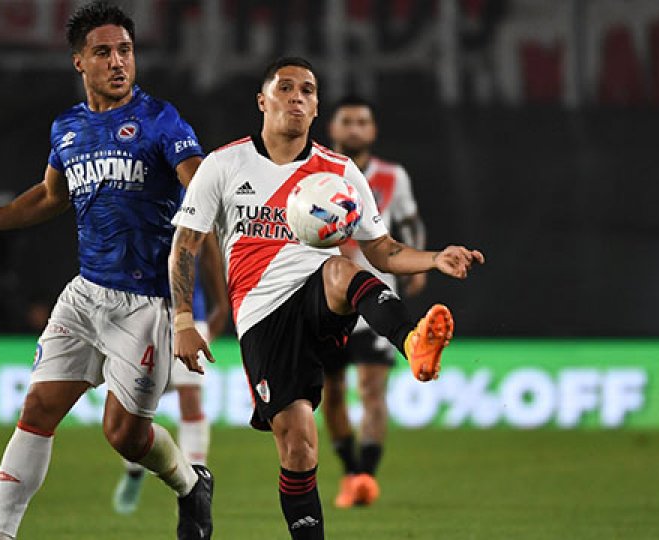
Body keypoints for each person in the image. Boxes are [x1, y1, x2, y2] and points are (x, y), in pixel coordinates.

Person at [0, 3, 214, 539]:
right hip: (85, 296)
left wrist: (184, 311)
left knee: (124, 436)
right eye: (103, 52)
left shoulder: (160, 120)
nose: (117, 62)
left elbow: (200, 189)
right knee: (37, 409)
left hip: (145, 302)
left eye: (125, 50)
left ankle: (190, 484)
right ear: (79, 62)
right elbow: (50, 196)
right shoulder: (68, 128)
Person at [168, 57, 484, 539]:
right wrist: (183, 320)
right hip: (261, 315)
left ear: (316, 108)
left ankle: (413, 342)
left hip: (318, 293)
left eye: (308, 91)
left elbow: (383, 250)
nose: (297, 97)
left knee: (341, 267)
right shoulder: (224, 165)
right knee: (298, 446)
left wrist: (434, 258)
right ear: (262, 100)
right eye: (286, 88)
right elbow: (185, 245)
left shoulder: (338, 173)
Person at [320, 95, 428, 508]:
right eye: (347, 121)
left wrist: (416, 264)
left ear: (373, 130)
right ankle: (350, 470)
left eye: (362, 121)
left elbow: (411, 220)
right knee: (331, 393)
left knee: (371, 389)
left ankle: (365, 475)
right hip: (326, 299)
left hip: (374, 299)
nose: (354, 128)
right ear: (333, 128)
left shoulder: (392, 176)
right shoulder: (316, 173)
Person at [113, 252, 229, 514]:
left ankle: (194, 488)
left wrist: (221, 303)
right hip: (143, 314)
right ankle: (133, 471)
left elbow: (208, 254)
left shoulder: (195, 211)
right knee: (133, 402)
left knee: (191, 397)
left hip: (190, 315)